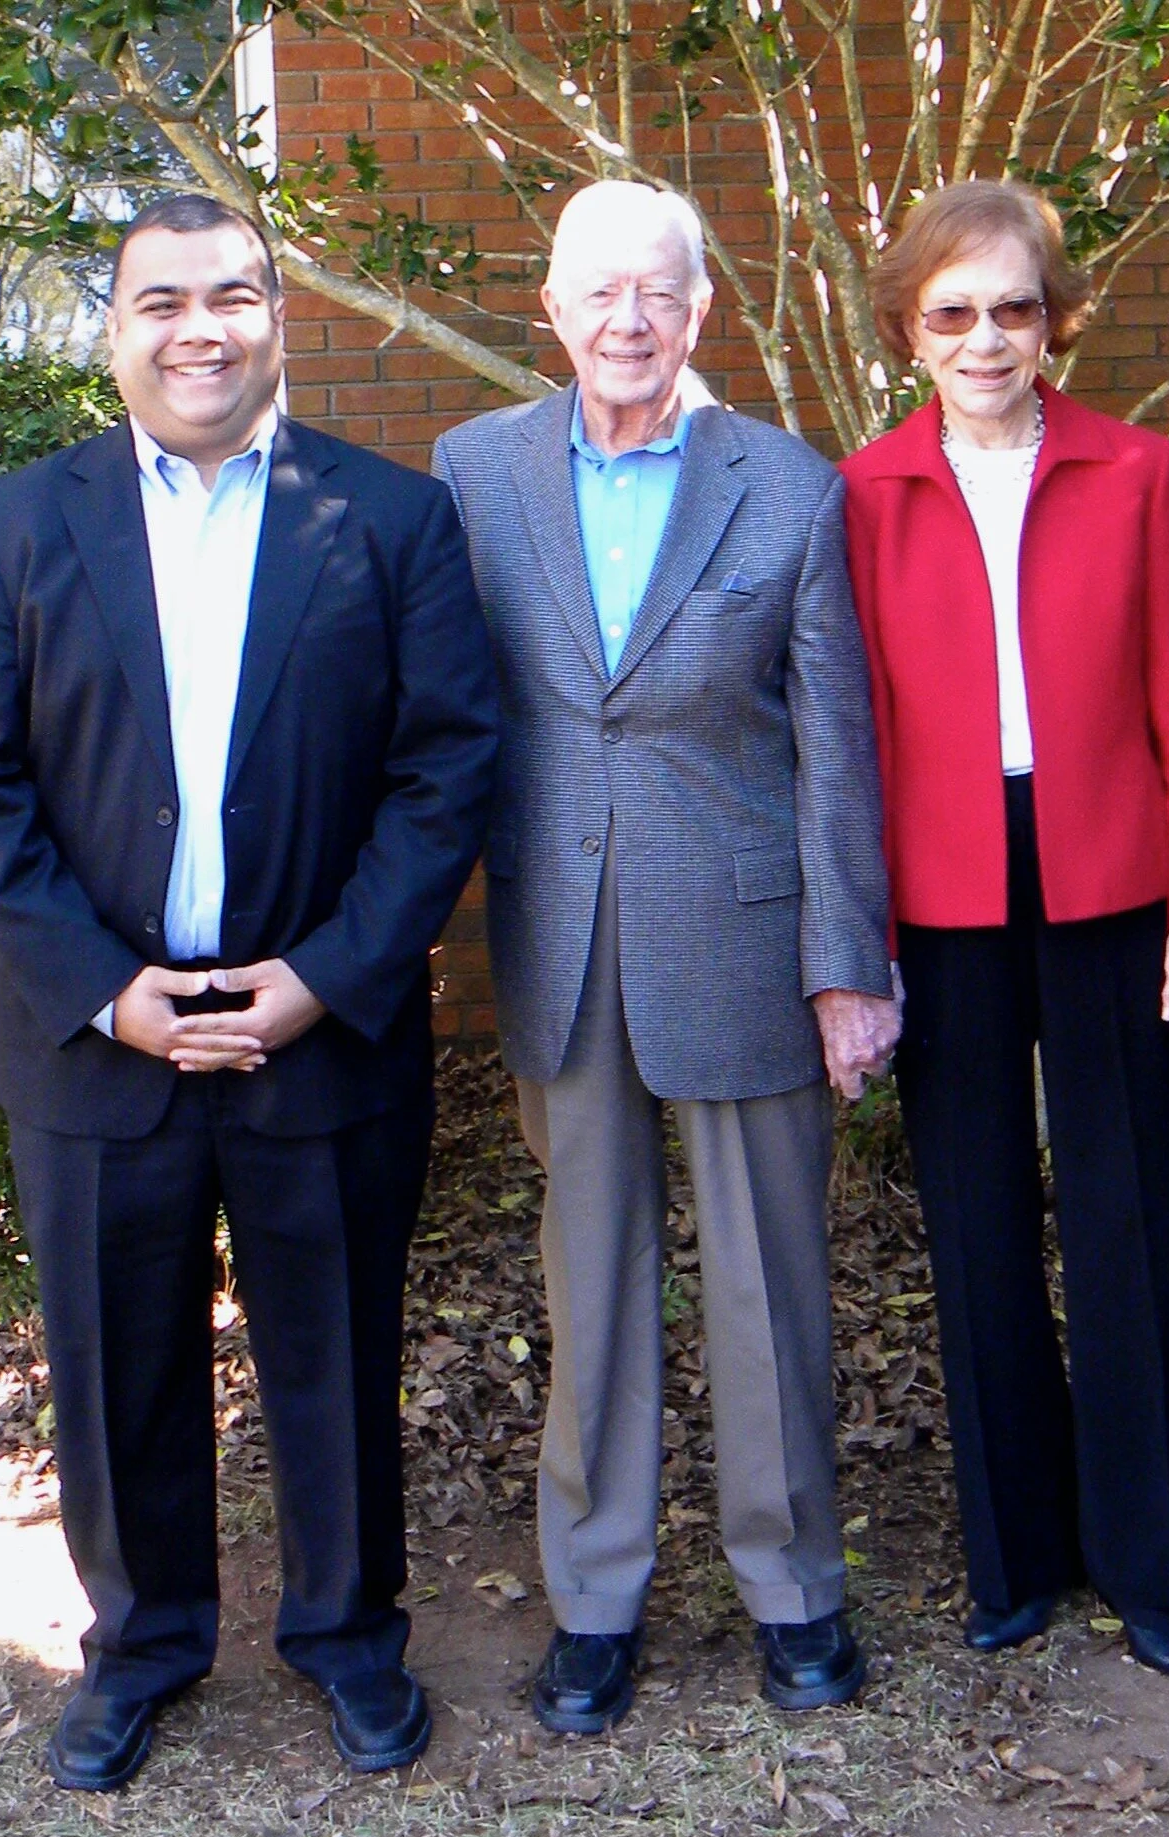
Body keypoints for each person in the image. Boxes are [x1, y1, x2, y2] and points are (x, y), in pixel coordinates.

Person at [0, 193, 497, 1788]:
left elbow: (443, 773)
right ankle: (144, 1643)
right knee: (119, 1365)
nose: (200, 329)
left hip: (320, 1030)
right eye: (161, 300)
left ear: (275, 318)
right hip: (104, 1044)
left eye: (232, 295)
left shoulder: (387, 520)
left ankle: (347, 1636)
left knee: (338, 1351)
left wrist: (322, 978)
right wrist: (109, 991)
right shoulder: (16, 528)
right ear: (111, 332)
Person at [432, 181, 898, 1735]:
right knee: (593, 1286)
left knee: (772, 1289)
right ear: (549, 310)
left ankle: (792, 1585)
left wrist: (850, 963)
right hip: (558, 942)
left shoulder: (787, 485)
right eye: (598, 293)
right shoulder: (474, 475)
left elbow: (838, 748)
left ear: (706, 309)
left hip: (748, 939)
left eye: (662, 293)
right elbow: (448, 721)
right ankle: (599, 1597)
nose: (629, 321)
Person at [839, 179, 1169, 1679]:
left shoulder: (1134, 468)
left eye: (1012, 307)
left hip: (1112, 879)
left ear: (1053, 316)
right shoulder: (864, 490)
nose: (986, 337)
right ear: (910, 332)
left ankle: (1154, 1560)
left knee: (1132, 1214)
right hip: (939, 889)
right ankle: (1014, 1556)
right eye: (953, 313)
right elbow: (856, 730)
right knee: (978, 1219)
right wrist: (856, 942)